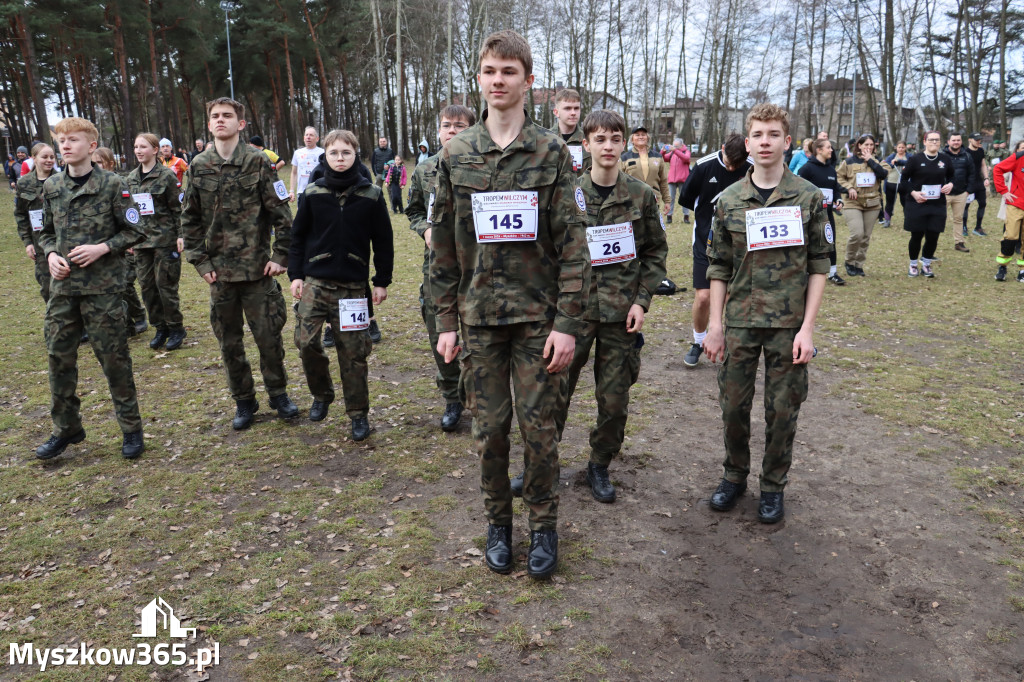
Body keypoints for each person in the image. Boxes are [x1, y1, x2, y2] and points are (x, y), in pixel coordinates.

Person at [430, 30, 590, 579]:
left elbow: (574, 245)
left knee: (539, 430)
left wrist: (568, 323)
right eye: (489, 72)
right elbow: (444, 247)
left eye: (508, 72)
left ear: (528, 81)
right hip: (478, 320)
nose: (498, 81)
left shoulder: (551, 153)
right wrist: (446, 321)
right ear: (479, 78)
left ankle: (543, 528)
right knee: (490, 430)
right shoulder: (455, 154)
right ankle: (498, 524)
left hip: (537, 319)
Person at [703, 103, 832, 524]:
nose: (764, 142)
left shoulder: (808, 198)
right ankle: (734, 476)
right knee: (733, 407)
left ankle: (773, 486)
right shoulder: (729, 200)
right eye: (757, 134)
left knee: (783, 410)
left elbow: (819, 263)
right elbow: (718, 266)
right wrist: (715, 325)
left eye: (773, 134)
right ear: (747, 141)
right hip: (739, 321)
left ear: (787, 141)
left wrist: (808, 329)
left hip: (788, 325)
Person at [551, 108, 667, 502]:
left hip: (622, 316)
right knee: (555, 393)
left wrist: (643, 301)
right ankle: (544, 464)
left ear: (625, 143)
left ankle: (599, 465)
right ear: (585, 144)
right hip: (575, 314)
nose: (607, 146)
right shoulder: (567, 194)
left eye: (615, 138)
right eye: (599, 139)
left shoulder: (642, 196)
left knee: (614, 400)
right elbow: (550, 253)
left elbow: (655, 252)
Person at [181, 97, 299, 430]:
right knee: (229, 342)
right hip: (220, 275)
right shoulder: (198, 166)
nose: (221, 121)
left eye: (227, 116)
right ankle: (244, 402)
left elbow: (281, 214)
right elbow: (188, 221)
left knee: (268, 338)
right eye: (215, 116)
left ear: (241, 124)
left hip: (258, 271)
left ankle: (279, 395)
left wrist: (280, 256)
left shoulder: (259, 162)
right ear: (208, 124)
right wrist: (202, 264)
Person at [35, 117, 146, 460]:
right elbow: (45, 231)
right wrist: (51, 253)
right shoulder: (52, 187)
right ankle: (66, 428)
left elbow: (137, 230)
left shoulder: (114, 184)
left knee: (114, 360)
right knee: (58, 358)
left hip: (104, 289)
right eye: (61, 141)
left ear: (92, 146)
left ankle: (131, 429)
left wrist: (103, 247)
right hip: (64, 289)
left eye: (73, 140)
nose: (65, 146)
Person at [288, 129, 394, 439]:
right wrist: (295, 275)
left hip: (353, 290)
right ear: (326, 155)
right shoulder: (313, 193)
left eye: (346, 153)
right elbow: (297, 238)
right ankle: (322, 396)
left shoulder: (372, 195)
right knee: (306, 343)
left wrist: (381, 281)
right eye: (334, 153)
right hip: (315, 284)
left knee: (353, 353)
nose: (339, 158)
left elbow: (384, 242)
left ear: (355, 155)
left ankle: (358, 413)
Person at [406, 104, 475, 432]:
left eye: (459, 126)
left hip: (477, 268)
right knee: (441, 332)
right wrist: (426, 229)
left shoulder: (483, 167)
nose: (451, 130)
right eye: (446, 125)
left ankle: (475, 394)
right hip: (437, 268)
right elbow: (414, 210)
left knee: (477, 337)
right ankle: (451, 397)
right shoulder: (424, 170)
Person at [676, 133, 751, 368]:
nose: (731, 167)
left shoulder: (751, 167)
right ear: (722, 148)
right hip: (705, 242)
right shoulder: (703, 166)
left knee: (731, 297)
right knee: (703, 296)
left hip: (739, 244)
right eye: (728, 161)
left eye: (735, 165)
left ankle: (727, 341)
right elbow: (686, 200)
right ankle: (698, 341)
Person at [127, 133, 187, 351]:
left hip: (165, 240)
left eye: (143, 146)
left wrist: (180, 235)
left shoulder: (167, 176)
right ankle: (159, 327)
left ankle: (176, 327)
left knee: (165, 286)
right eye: (136, 146)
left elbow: (178, 209)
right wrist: (129, 237)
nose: (138, 150)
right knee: (147, 287)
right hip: (142, 242)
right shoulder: (131, 178)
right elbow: (129, 212)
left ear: (155, 150)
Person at [93, 146, 148, 337]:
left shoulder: (120, 184)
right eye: (94, 163)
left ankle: (138, 315)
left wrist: (131, 244)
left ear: (110, 164)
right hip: (101, 247)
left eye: (100, 162)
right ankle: (123, 324)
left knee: (125, 284)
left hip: (123, 245)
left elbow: (132, 218)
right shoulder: (92, 186)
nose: (96, 166)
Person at [899, 130, 955, 278]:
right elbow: (903, 181)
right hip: (917, 203)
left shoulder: (945, 159)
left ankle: (926, 263)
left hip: (937, 204)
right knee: (917, 235)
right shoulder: (915, 159)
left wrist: (950, 184)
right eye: (931, 140)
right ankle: (912, 264)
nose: (934, 143)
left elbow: (952, 176)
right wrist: (914, 193)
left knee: (933, 236)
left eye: (937, 140)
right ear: (924, 142)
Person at [836, 134, 890, 277]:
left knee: (865, 236)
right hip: (853, 202)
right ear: (859, 145)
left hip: (872, 204)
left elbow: (883, 174)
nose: (869, 147)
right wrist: (849, 188)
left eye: (871, 145)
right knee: (857, 233)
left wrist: (871, 161)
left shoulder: (879, 161)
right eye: (866, 144)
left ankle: (858, 265)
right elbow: (838, 178)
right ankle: (849, 261)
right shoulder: (848, 162)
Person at [799, 137, 847, 285]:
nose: (831, 150)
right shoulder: (806, 169)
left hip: (828, 214)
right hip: (810, 215)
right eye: (828, 147)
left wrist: (839, 200)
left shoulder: (832, 169)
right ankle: (804, 272)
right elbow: (799, 192)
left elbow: (835, 190)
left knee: (830, 241)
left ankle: (833, 273)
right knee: (808, 243)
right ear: (819, 150)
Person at [14, 142, 58, 302]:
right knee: (47, 286)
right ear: (34, 158)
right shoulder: (24, 183)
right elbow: (21, 215)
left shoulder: (62, 180)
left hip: (62, 241)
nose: (49, 160)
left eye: (52, 157)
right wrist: (27, 242)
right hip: (40, 244)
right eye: (44, 157)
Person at [620, 125, 670, 216]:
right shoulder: (624, 158)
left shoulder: (657, 157)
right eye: (637, 135)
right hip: (632, 201)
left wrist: (667, 201)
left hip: (654, 200)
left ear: (647, 138)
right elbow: (619, 182)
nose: (640, 137)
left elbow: (663, 181)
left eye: (643, 134)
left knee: (652, 229)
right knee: (636, 230)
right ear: (632, 139)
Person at [992, 141, 1024, 282]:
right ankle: (1002, 266)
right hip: (1016, 203)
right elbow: (997, 169)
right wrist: (1003, 191)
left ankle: (1022, 270)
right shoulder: (1018, 157)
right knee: (1011, 236)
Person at [943, 132, 975, 252]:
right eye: (953, 140)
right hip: (944, 194)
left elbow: (972, 174)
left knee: (958, 219)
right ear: (948, 142)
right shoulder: (942, 155)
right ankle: (931, 243)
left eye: (958, 140)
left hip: (961, 193)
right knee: (937, 218)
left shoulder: (967, 156)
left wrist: (968, 191)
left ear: (961, 142)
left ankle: (959, 243)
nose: (956, 142)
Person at [550, 87, 589, 175]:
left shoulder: (589, 140)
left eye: (576, 108)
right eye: (567, 108)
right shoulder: (545, 140)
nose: (573, 113)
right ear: (556, 112)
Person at [963, 132, 990, 236]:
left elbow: (983, 165)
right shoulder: (965, 152)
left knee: (982, 204)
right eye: (976, 139)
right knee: (966, 206)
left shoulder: (981, 150)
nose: (979, 141)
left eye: (980, 139)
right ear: (970, 140)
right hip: (968, 183)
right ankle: (964, 227)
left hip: (979, 182)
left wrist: (986, 178)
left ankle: (978, 228)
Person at [289, 127, 324, 202]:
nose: (308, 137)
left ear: (317, 139)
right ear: (304, 138)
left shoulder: (323, 153)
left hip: (317, 191)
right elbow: (294, 173)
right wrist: (291, 191)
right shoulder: (297, 153)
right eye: (306, 135)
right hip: (301, 192)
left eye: (311, 135)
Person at [662, 137, 691, 224]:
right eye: (674, 145)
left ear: (682, 145)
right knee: (671, 198)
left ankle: (686, 216)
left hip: (683, 179)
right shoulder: (672, 153)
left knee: (684, 198)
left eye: (677, 146)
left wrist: (675, 150)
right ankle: (669, 216)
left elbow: (686, 159)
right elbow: (663, 158)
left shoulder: (686, 151)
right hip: (672, 179)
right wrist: (663, 151)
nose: (675, 147)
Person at [882, 141, 909, 227]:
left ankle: (908, 220)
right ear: (896, 148)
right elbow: (885, 165)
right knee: (889, 202)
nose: (901, 149)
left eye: (902, 147)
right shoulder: (891, 156)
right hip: (891, 182)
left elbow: (912, 164)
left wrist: (900, 162)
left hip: (904, 184)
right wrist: (892, 163)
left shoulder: (909, 157)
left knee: (905, 202)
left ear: (905, 148)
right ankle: (887, 220)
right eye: (899, 147)